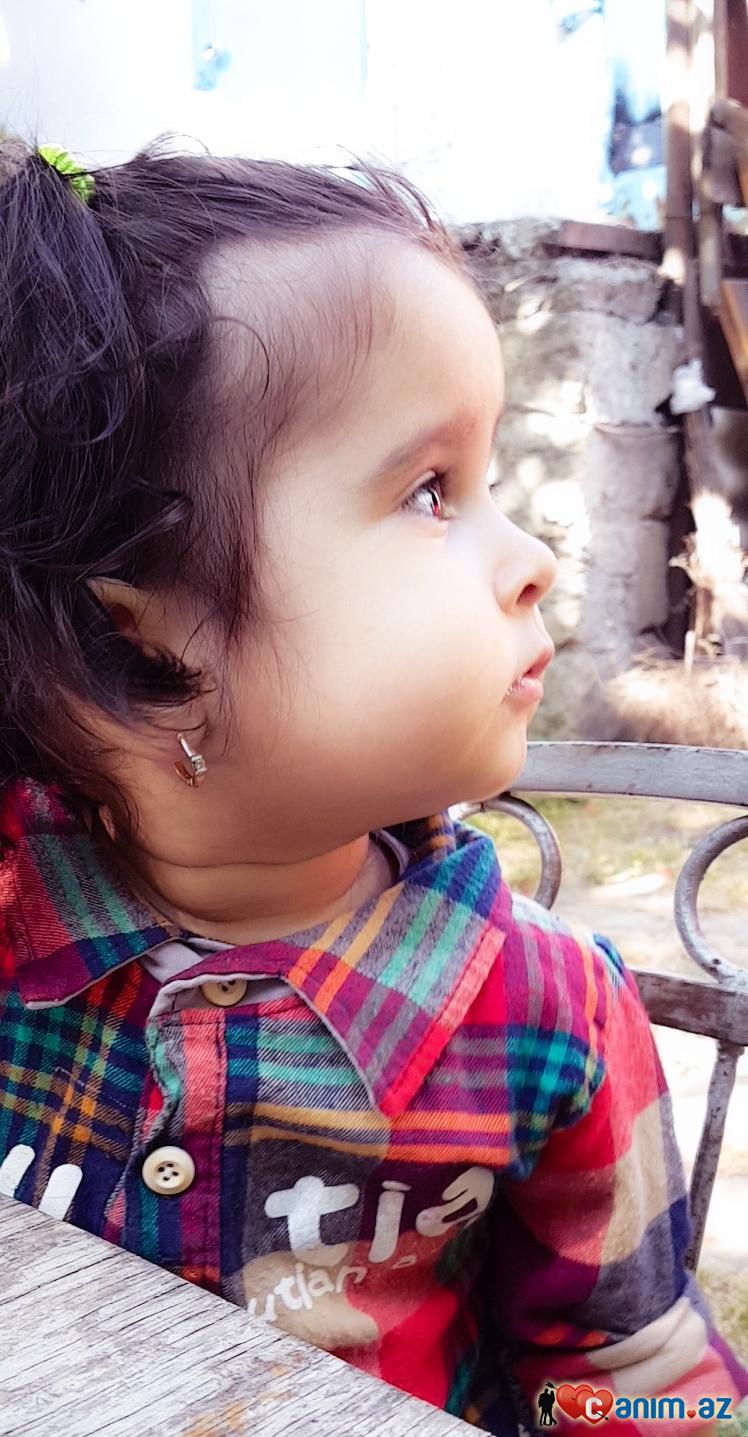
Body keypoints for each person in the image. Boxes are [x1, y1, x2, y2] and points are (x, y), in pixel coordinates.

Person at [0, 135, 744, 1437]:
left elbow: (628, 1366)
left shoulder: (544, 1012)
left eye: (488, 480)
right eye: (430, 491)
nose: (534, 559)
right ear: (137, 635)